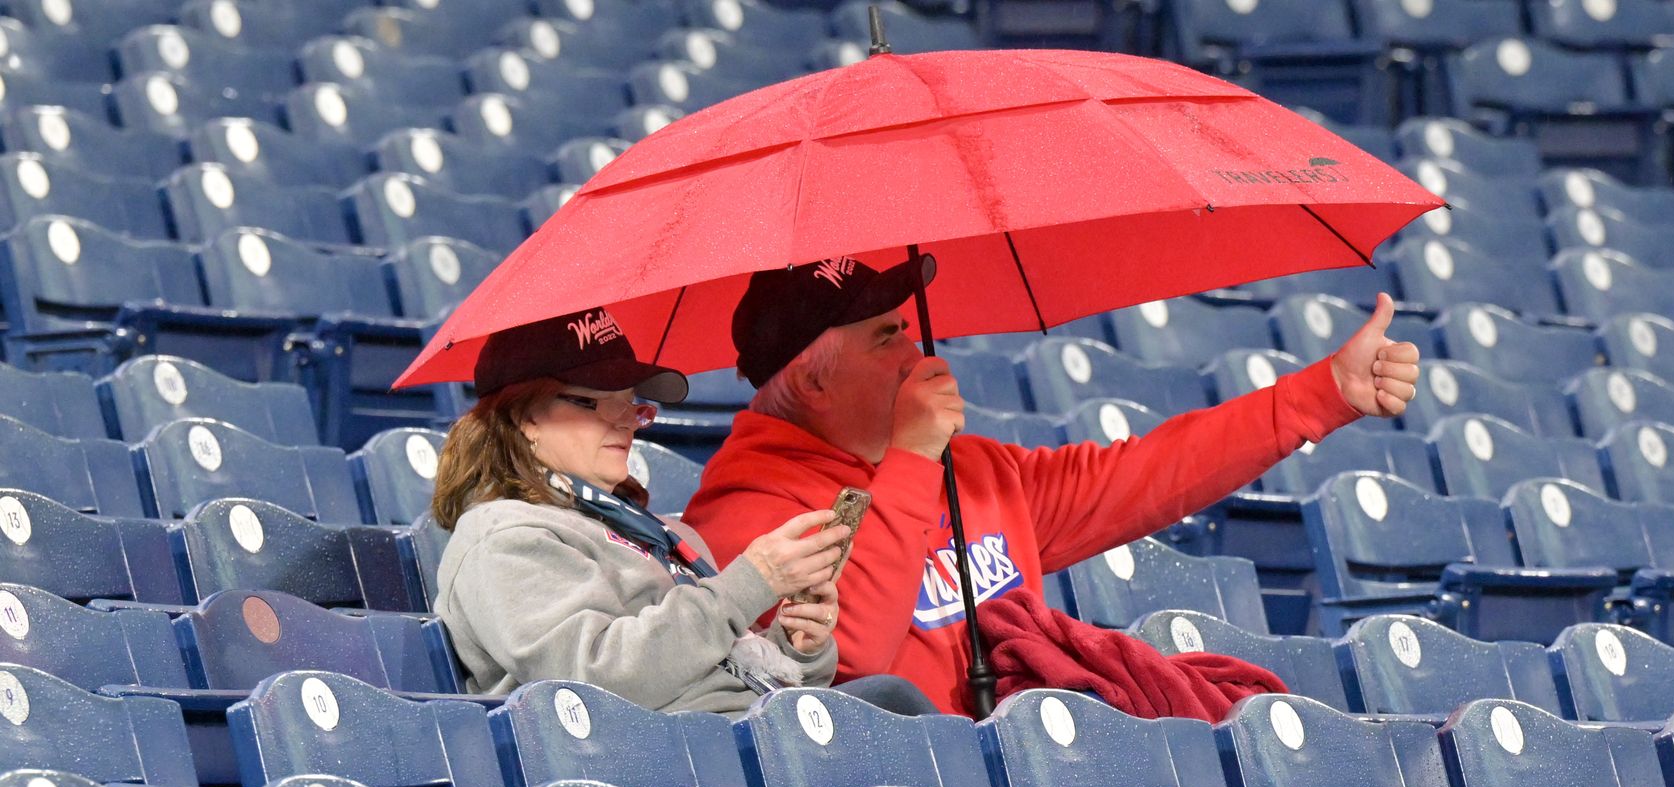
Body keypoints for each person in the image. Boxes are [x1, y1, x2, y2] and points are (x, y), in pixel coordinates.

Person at [683, 255, 1420, 717]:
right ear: (814, 381)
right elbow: (853, 659)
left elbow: (1147, 474)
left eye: (906, 328)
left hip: (1040, 779)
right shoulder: (744, 516)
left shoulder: (972, 471)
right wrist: (911, 457)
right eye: (886, 337)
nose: (915, 354)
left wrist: (1323, 393)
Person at [430, 306, 895, 718]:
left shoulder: (657, 531)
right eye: (596, 402)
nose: (626, 423)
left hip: (739, 740)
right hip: (654, 766)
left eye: (631, 404)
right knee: (894, 703)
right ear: (526, 416)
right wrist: (748, 586)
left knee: (893, 702)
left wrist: (795, 647)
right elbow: (591, 686)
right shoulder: (504, 537)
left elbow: (716, 674)